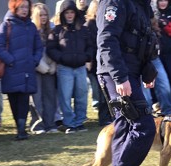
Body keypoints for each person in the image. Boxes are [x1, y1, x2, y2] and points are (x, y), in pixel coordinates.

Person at [96, 0, 156, 166]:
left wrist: (148, 71)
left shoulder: (141, 5)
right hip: (117, 73)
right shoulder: (115, 2)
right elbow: (107, 39)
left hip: (130, 72)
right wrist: (120, 78)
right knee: (144, 126)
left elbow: (143, 40)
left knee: (125, 127)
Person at [0, 0, 43, 140]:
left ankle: (22, 131)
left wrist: (34, 60)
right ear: (15, 8)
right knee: (14, 101)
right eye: (21, 7)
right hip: (12, 70)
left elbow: (38, 47)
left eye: (26, 7)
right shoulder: (6, 25)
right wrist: (11, 61)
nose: (24, 10)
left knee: (24, 100)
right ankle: (20, 128)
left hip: (27, 70)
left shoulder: (31, 27)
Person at [47, 0, 93, 134]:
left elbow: (91, 46)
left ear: (75, 13)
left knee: (82, 96)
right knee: (65, 97)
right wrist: (61, 58)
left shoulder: (84, 30)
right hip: (64, 69)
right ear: (62, 14)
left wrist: (86, 57)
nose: (69, 15)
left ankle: (79, 122)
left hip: (80, 68)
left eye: (72, 12)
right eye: (67, 12)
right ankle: (69, 124)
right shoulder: (57, 30)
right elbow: (51, 48)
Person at [29, 3, 58, 134]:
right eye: (40, 15)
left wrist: (53, 64)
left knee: (50, 97)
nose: (44, 17)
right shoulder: (30, 29)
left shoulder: (52, 29)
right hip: (35, 69)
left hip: (50, 69)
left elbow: (56, 47)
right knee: (36, 98)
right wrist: (39, 64)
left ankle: (50, 124)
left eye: (45, 14)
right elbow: (29, 49)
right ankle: (38, 126)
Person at [85, 0, 113, 126]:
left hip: (105, 62)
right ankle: (103, 118)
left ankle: (109, 116)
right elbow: (93, 44)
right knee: (101, 94)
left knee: (107, 93)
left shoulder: (105, 23)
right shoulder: (91, 24)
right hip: (96, 64)